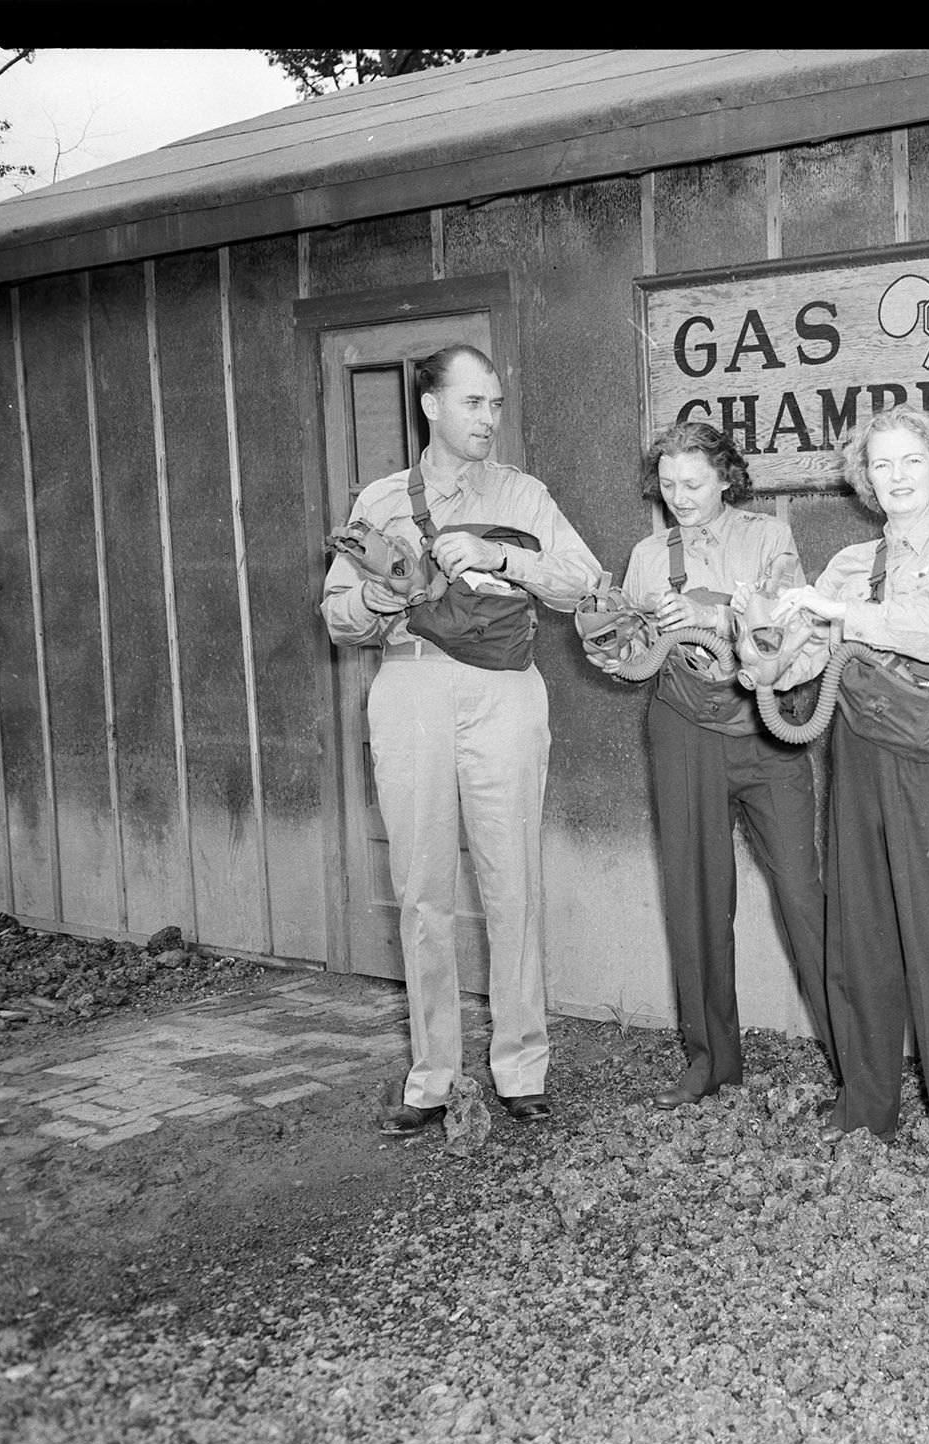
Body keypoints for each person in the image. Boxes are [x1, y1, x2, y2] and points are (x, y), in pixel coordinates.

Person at [321, 344, 603, 1134]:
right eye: (474, 403)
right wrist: (379, 595)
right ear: (431, 406)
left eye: (497, 405)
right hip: (409, 684)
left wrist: (501, 555)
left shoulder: (522, 493)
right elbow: (337, 619)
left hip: (505, 690)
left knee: (513, 878)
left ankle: (522, 1065)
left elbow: (585, 580)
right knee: (420, 888)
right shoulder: (379, 501)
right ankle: (432, 1073)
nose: (488, 419)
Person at [775, 405, 929, 1180]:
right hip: (858, 752)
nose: (897, 476)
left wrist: (841, 615)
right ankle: (866, 1106)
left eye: (910, 461)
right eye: (881, 465)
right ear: (862, 478)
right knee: (859, 934)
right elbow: (800, 664)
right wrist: (754, 643)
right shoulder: (847, 561)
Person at [586, 421, 832, 1109]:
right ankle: (710, 1060)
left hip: (763, 727)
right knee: (693, 896)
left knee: (802, 894)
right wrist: (621, 644)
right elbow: (631, 665)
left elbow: (790, 631)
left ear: (726, 476)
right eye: (666, 485)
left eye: (692, 483)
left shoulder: (767, 538)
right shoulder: (645, 555)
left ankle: (855, 1059)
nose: (679, 497)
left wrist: (706, 611)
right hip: (681, 730)